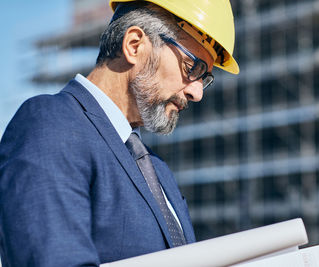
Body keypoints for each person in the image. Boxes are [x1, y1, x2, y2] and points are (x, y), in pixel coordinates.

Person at [0, 0, 239, 266]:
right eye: (191, 68)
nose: (197, 93)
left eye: (204, 77)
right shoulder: (50, 125)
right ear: (134, 45)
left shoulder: (157, 171)